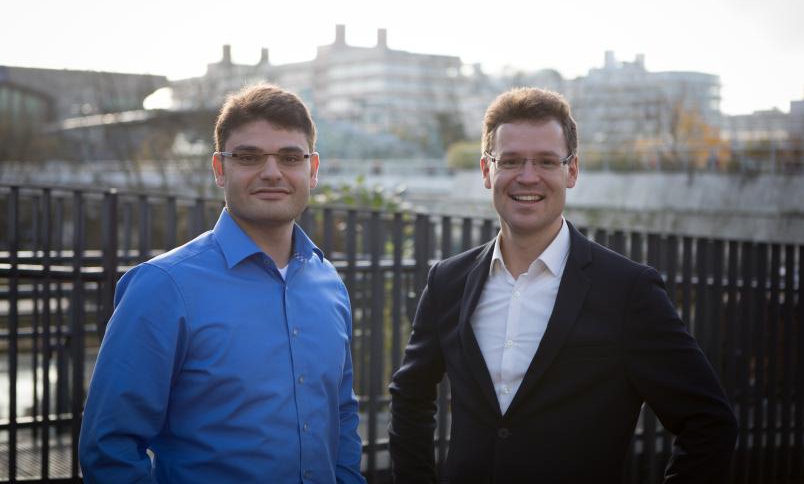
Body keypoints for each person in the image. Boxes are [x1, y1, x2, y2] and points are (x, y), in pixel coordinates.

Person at [388, 87, 738, 483]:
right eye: (511, 160)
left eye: (546, 161)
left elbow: (709, 423)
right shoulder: (448, 281)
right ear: (487, 171)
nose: (527, 176)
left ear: (571, 171)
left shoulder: (628, 291)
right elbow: (410, 396)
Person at [79, 84, 366, 484]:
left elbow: (342, 413)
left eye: (289, 157)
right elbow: (109, 448)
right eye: (248, 157)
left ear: (312, 170)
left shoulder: (328, 283)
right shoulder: (163, 287)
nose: (271, 172)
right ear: (219, 169)